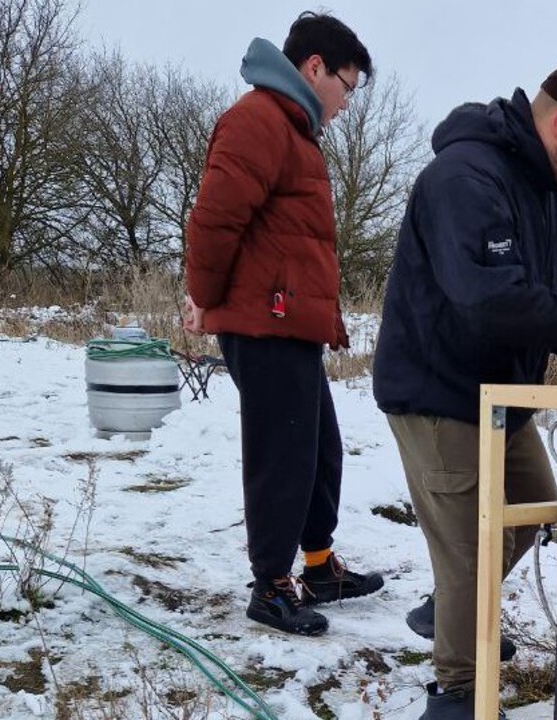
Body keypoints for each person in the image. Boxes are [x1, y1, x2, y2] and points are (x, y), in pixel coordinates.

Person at [373, 58, 557, 719]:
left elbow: (528, 296)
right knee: (467, 551)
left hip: (499, 398)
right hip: (436, 393)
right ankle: (457, 693)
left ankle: (448, 612)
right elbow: (483, 299)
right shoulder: (463, 177)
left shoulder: (540, 192)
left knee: (540, 505)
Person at [183, 11, 383, 637]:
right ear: (314, 68)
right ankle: (271, 585)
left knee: (319, 448)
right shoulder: (257, 121)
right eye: (347, 87)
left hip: (291, 323)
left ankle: (320, 567)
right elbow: (213, 222)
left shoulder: (295, 131)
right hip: (262, 322)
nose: (348, 103)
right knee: (281, 454)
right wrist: (201, 298)